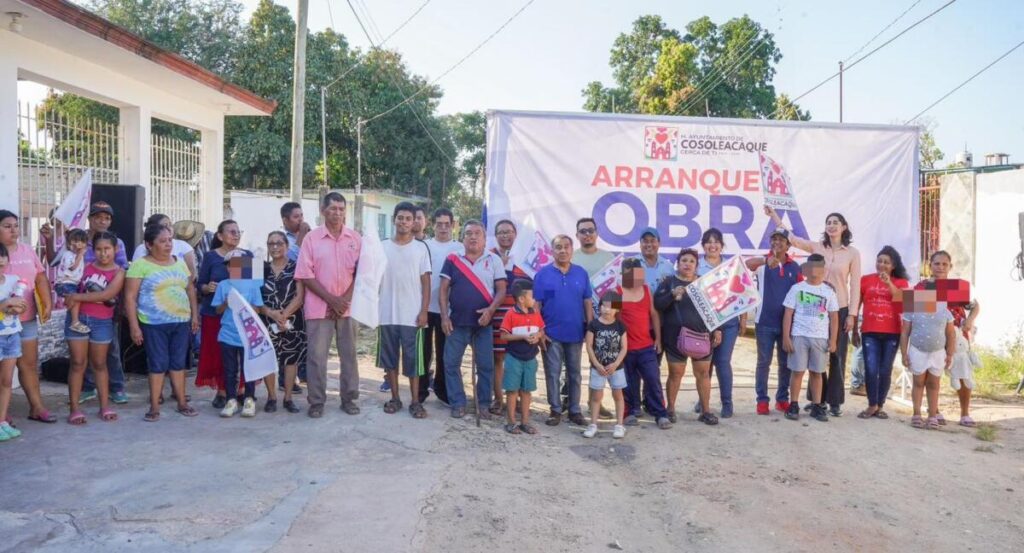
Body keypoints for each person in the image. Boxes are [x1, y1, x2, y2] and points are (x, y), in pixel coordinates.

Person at [767, 206, 860, 417]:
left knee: (835, 354)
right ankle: (816, 401)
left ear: (844, 227)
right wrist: (774, 216)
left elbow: (855, 284)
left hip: (839, 307)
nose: (832, 225)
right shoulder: (817, 248)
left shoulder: (853, 254)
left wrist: (852, 314)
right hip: (811, 310)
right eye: (829, 222)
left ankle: (834, 401)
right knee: (812, 357)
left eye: (836, 222)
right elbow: (792, 237)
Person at [295, 192, 362, 418]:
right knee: (316, 357)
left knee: (349, 355)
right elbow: (305, 274)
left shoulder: (355, 239)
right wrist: (331, 299)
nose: (337, 213)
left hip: (348, 308)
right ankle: (316, 402)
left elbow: (361, 274)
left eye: (341, 209)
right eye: (333, 208)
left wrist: (343, 300)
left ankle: (349, 398)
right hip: (318, 307)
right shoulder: (311, 239)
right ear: (323, 211)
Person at [125, 224, 199, 421]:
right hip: (153, 323)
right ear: (149, 245)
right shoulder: (140, 265)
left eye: (170, 240)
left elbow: (190, 289)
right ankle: (154, 406)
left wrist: (194, 315)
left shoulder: (179, 262)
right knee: (158, 363)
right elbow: (130, 297)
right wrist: (134, 326)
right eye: (162, 241)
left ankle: (182, 402)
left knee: (178, 362)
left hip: (181, 321)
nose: (168, 245)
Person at [439, 219, 506, 419]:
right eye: (469, 233)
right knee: (450, 364)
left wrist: (491, 311)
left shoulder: (493, 259)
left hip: (482, 324)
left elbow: (501, 290)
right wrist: (444, 317)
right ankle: (458, 402)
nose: (473, 237)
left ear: (485, 239)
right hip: (456, 322)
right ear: (463, 237)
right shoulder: (453, 259)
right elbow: (443, 290)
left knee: (485, 366)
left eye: (478, 233)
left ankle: (483, 404)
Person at [655, 248, 723, 425]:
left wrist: (716, 329)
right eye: (684, 260)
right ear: (678, 263)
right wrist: (671, 295)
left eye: (691, 261)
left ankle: (706, 411)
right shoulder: (669, 283)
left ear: (696, 265)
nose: (687, 264)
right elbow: (658, 304)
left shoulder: (703, 283)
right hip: (674, 338)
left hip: (702, 337)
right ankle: (670, 409)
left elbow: (714, 308)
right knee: (675, 374)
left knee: (703, 374)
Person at [62, 232, 124, 424]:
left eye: (107, 249)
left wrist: (77, 298)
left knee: (99, 364)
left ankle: (104, 406)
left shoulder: (120, 272)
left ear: (116, 249)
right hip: (77, 319)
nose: (103, 253)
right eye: (98, 249)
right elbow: (68, 286)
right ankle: (74, 408)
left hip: (102, 322)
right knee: (78, 363)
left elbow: (107, 295)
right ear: (92, 250)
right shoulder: (84, 267)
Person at [377, 202, 431, 419]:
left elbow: (426, 282)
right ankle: (395, 398)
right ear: (394, 219)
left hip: (412, 315)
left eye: (408, 218)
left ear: (414, 222)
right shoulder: (381, 247)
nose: (404, 222)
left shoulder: (420, 248)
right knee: (390, 359)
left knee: (413, 361)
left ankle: (415, 401)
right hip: (387, 314)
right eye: (400, 217)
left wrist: (424, 310)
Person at [0, 210, 56, 424]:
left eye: (15, 225)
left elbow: (40, 276)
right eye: (7, 226)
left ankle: (37, 407)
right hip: (2, 322)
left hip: (27, 318)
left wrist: (47, 301)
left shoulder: (26, 250)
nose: (14, 230)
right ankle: (2, 413)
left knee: (29, 364)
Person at [916, 250, 981, 427]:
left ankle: (965, 413)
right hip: (932, 334)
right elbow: (915, 314)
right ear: (930, 266)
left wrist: (969, 319)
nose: (941, 267)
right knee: (931, 373)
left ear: (950, 267)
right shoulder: (922, 287)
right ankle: (934, 411)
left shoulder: (958, 286)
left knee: (962, 372)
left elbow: (975, 307)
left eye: (945, 264)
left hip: (957, 334)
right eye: (937, 263)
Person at [534, 234, 593, 426]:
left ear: (572, 249)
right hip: (551, 335)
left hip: (576, 333)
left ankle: (575, 410)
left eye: (566, 246)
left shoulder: (581, 273)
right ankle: (555, 410)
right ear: (552, 251)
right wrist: (540, 330)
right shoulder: (542, 275)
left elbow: (587, 302)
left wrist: (591, 328)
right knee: (553, 373)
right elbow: (537, 306)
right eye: (558, 247)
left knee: (575, 373)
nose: (562, 250)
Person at [745, 228, 803, 415]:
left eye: (781, 240)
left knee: (785, 363)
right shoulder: (763, 261)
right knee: (763, 362)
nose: (777, 242)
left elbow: (802, 291)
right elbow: (747, 263)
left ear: (788, 245)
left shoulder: (795, 267)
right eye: (774, 239)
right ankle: (762, 400)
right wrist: (765, 260)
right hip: (764, 322)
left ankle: (782, 399)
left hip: (787, 325)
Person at [195, 220, 252, 407]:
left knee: (244, 353)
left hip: (242, 315)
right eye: (231, 231)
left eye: (238, 231)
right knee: (220, 354)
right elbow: (200, 284)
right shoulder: (211, 257)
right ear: (220, 236)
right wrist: (207, 287)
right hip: (215, 313)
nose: (236, 235)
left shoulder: (247, 256)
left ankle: (242, 389)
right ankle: (222, 391)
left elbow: (254, 286)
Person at [852, 246, 910, 420]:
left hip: (892, 332)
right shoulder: (865, 280)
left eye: (886, 262)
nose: (882, 264)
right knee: (870, 369)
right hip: (870, 331)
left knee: (885, 370)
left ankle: (880, 405)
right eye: (879, 261)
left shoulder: (901, 282)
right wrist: (854, 329)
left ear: (893, 266)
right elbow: (857, 304)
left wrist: (888, 283)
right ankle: (871, 404)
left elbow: (900, 299)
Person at [692, 228, 744, 418]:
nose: (712, 245)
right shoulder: (697, 266)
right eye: (708, 241)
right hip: (704, 323)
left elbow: (743, 292)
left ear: (722, 245)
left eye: (716, 241)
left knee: (722, 362)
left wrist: (743, 318)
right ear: (703, 245)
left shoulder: (732, 265)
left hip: (729, 322)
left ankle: (727, 403)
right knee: (705, 364)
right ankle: (703, 400)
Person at [782, 253, 840, 423]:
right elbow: (788, 313)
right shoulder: (797, 288)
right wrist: (787, 337)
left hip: (820, 338)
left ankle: (817, 405)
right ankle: (793, 404)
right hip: (799, 335)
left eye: (818, 266)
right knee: (797, 371)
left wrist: (833, 340)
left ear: (824, 269)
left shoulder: (828, 292)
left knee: (817, 372)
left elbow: (834, 317)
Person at [617, 258, 671, 429]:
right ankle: (630, 412)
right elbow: (612, 318)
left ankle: (660, 414)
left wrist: (658, 339)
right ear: (623, 273)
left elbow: (654, 314)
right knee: (628, 382)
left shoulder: (647, 290)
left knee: (653, 379)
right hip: (625, 348)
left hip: (646, 346)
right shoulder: (616, 292)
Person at [213, 253, 266, 418]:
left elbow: (258, 309)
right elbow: (217, 310)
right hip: (228, 334)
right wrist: (226, 303)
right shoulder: (223, 285)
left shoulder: (253, 285)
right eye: (232, 265)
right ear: (228, 268)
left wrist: (245, 304)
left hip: (248, 334)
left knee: (248, 368)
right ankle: (231, 400)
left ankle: (250, 399)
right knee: (230, 369)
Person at [489, 219, 530, 415]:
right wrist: (500, 267)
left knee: (520, 358)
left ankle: (520, 400)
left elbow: (532, 286)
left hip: (521, 318)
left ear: (516, 234)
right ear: (496, 236)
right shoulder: (489, 256)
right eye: (501, 232)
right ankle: (498, 399)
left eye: (509, 232)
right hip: (497, 315)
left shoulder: (525, 256)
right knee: (498, 358)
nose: (505, 235)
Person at [422, 208, 463, 405]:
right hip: (425, 307)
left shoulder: (460, 248)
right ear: (433, 224)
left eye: (447, 224)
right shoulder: (424, 246)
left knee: (444, 353)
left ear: (453, 225)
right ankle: (420, 390)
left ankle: (443, 390)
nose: (443, 228)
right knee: (424, 352)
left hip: (449, 311)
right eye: (439, 224)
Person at [262, 231, 306, 414]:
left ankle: (288, 398)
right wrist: (271, 313)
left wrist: (284, 315)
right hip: (267, 319)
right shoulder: (260, 268)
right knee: (268, 359)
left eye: (279, 243)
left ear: (287, 246)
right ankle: (271, 397)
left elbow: (300, 296)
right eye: (271, 243)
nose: (275, 247)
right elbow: (252, 297)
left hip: (292, 320)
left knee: (290, 359)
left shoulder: (297, 267)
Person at [900, 285, 956, 429]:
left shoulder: (945, 312)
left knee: (934, 384)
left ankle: (932, 415)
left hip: (937, 353)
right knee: (918, 383)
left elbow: (950, 334)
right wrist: (904, 353)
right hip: (917, 351)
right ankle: (917, 413)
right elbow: (905, 332)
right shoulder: (912, 310)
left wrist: (950, 353)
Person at [499, 279, 545, 435]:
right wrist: (523, 336)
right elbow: (504, 335)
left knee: (526, 390)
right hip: (514, 358)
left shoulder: (535, 314)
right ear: (521, 299)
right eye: (532, 296)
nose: (535, 300)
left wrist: (537, 336)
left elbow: (541, 331)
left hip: (530, 358)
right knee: (512, 391)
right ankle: (511, 422)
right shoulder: (510, 314)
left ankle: (525, 422)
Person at [583, 290, 628, 439]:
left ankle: (619, 425)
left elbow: (624, 347)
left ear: (617, 309)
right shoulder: (594, 325)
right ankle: (593, 424)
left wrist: (616, 364)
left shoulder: (620, 326)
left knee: (618, 395)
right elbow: (589, 345)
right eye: (603, 306)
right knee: (596, 396)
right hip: (598, 368)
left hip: (616, 368)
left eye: (610, 307)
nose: (606, 309)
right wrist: (596, 364)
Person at [0, 243, 27, 441]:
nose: (1, 260)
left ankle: (2, 421)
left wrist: (11, 307)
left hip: (12, 335)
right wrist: (6, 306)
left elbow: (21, 306)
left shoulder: (14, 280)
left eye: (3, 256)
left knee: (7, 381)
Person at [132, 214, 197, 276]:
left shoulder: (184, 246)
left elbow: (192, 272)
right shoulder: (141, 249)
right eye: (165, 225)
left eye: (170, 225)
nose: (169, 228)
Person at [54, 228, 90, 334]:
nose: (78, 244)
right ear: (69, 243)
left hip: (72, 284)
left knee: (79, 298)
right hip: (64, 283)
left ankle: (70, 308)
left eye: (82, 241)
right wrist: (80, 255)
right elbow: (72, 268)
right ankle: (75, 322)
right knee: (76, 298)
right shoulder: (68, 254)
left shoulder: (77, 256)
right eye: (75, 241)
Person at [634, 227, 675, 292]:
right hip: (638, 302)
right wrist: (616, 303)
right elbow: (619, 292)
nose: (649, 245)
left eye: (653, 241)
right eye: (645, 241)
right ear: (640, 244)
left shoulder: (668, 267)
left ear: (659, 243)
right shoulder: (630, 264)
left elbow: (672, 292)